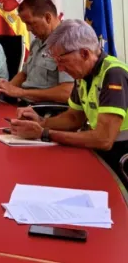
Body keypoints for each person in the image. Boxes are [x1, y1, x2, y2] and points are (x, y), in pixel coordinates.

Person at [9, 20, 128, 186]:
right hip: (101, 152)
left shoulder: (113, 74)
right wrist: (40, 122)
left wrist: (44, 133)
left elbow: (103, 139)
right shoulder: (83, 74)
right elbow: (74, 118)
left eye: (62, 61)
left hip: (121, 156)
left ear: (84, 54)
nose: (60, 69)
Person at [0, 0, 74, 104]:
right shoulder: (36, 42)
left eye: (30, 23)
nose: (28, 29)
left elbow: (67, 92)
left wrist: (22, 93)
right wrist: (7, 88)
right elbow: (24, 74)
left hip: (47, 109)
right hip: (26, 103)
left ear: (48, 18)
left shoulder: (68, 43)